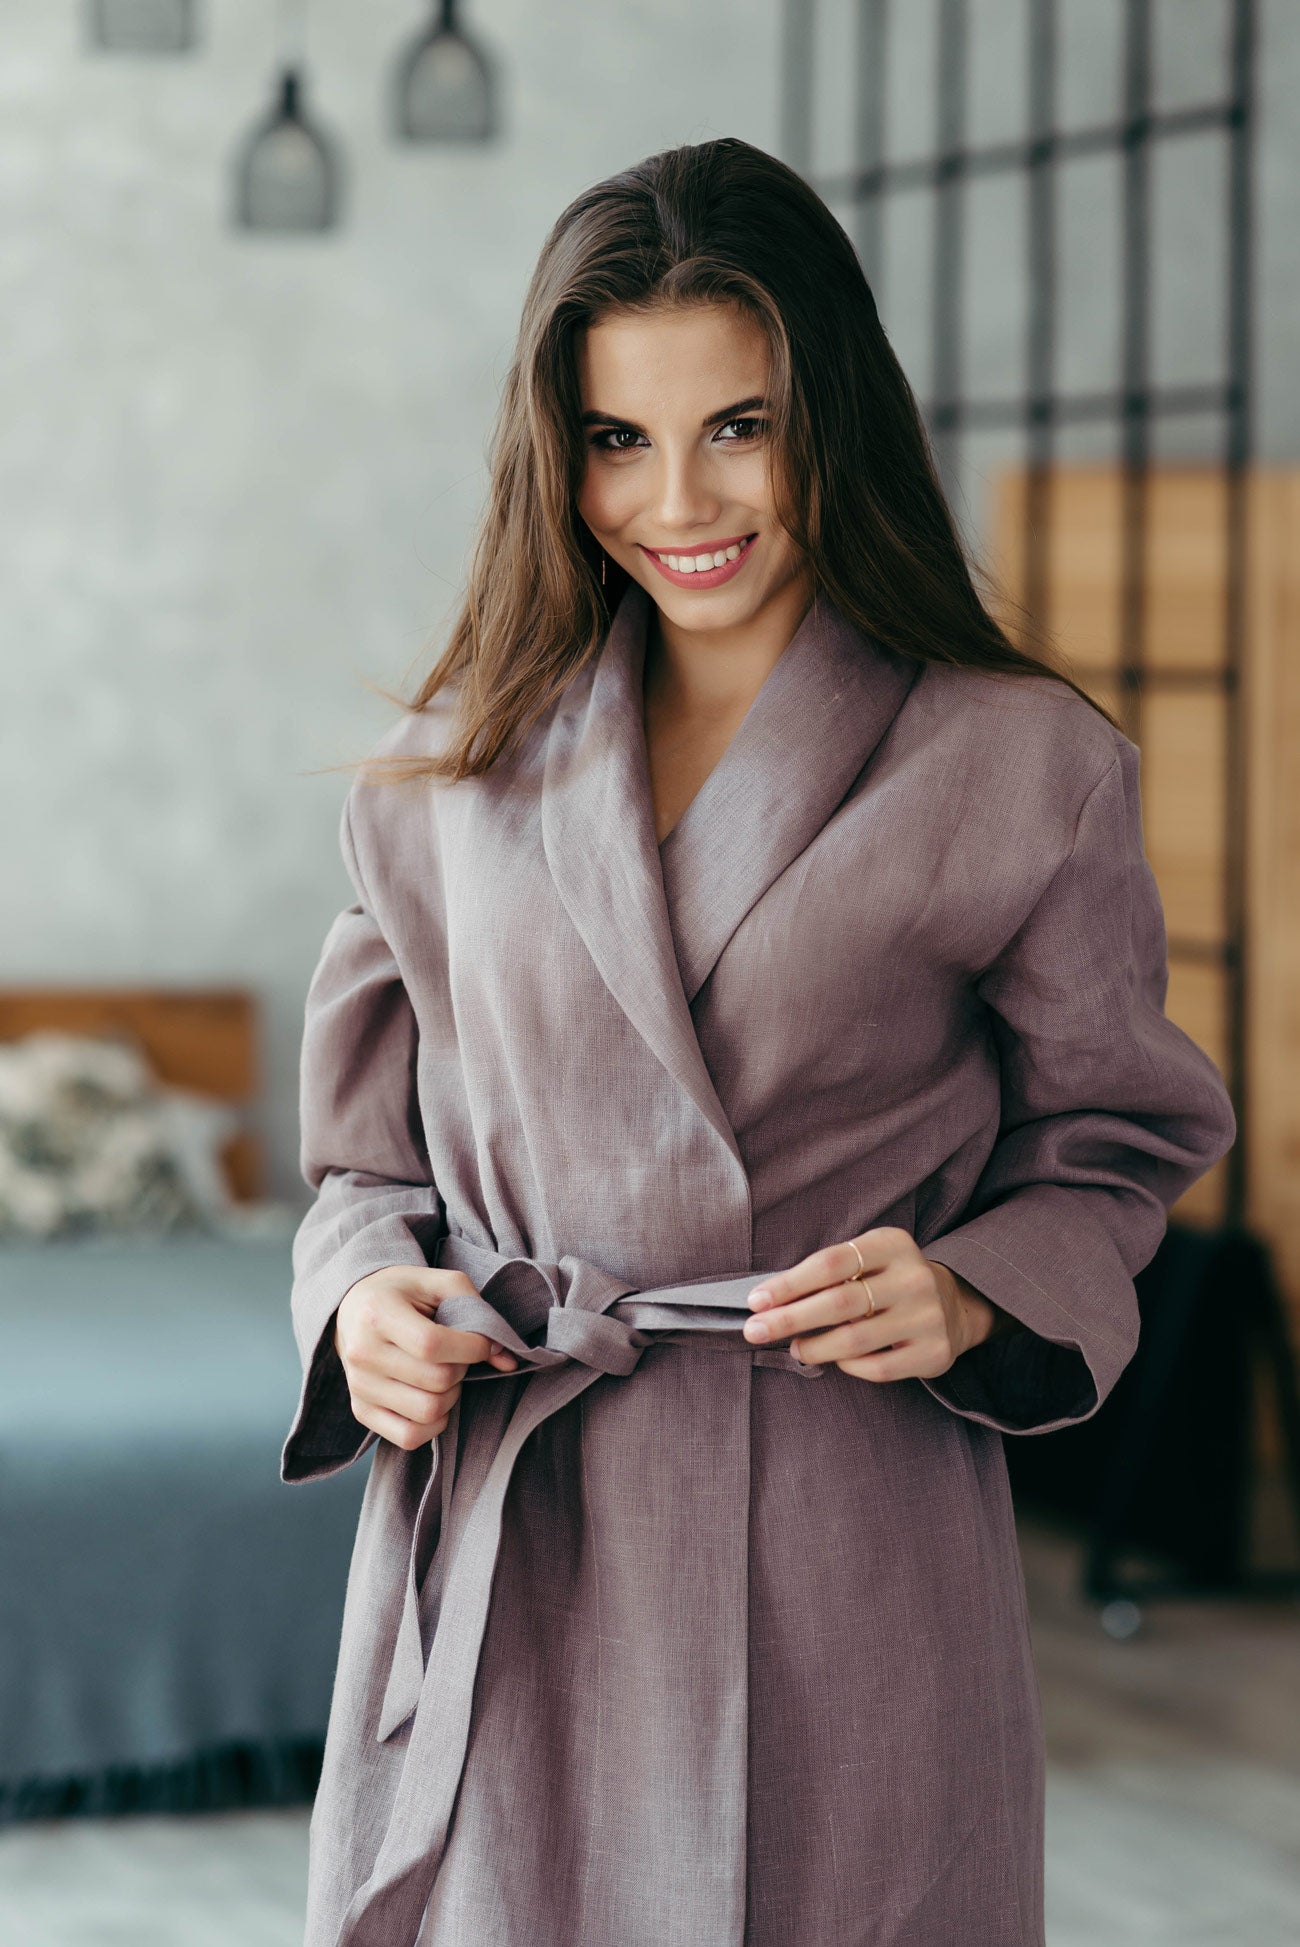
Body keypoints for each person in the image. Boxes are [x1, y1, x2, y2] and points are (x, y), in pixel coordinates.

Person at [281, 136, 1237, 1947]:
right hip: (518, 1530)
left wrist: (969, 1291)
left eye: (741, 424)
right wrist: (360, 1302)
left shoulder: (1018, 763)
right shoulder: (449, 766)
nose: (678, 497)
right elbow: (361, 1164)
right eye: (620, 437)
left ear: (836, 416)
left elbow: (1114, 1138)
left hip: (844, 1543)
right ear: (552, 449)